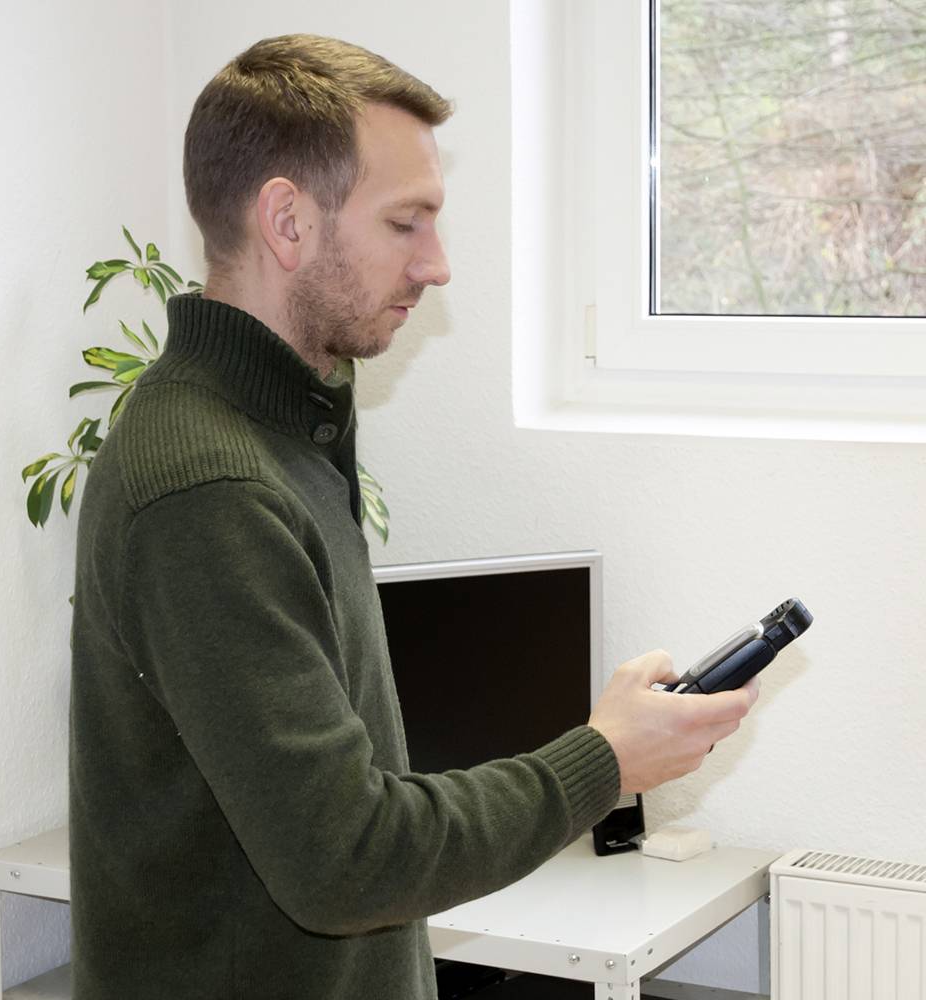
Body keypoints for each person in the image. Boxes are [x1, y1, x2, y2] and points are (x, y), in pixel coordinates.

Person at [69, 34, 757, 1000]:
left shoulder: (286, 428)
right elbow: (346, 859)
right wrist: (605, 759)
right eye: (407, 222)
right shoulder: (208, 491)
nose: (437, 265)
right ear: (287, 221)